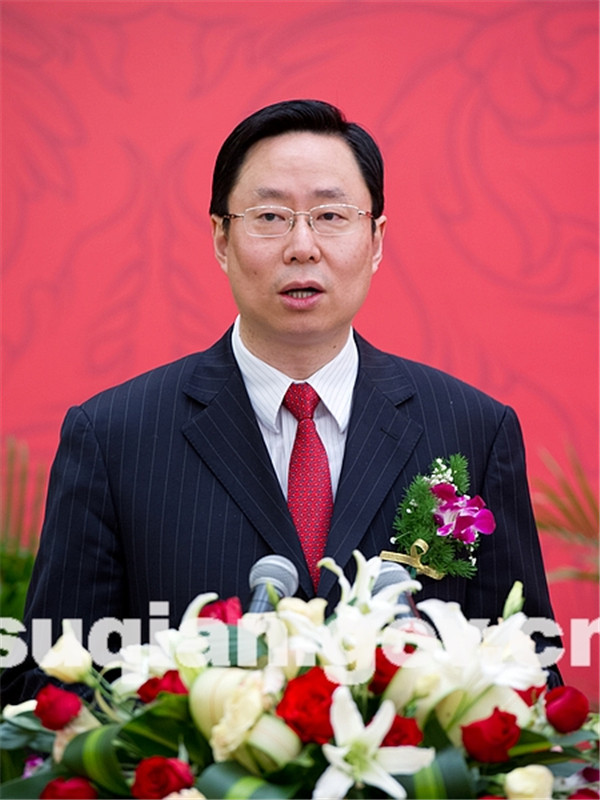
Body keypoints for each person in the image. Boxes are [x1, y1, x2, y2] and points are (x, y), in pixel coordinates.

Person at [1, 99, 561, 704]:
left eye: (331, 216)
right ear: (221, 238)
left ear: (376, 239)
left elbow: (530, 673)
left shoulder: (472, 430)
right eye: (269, 216)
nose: (302, 246)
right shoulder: (115, 438)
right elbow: (50, 686)